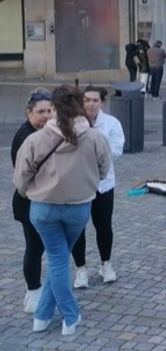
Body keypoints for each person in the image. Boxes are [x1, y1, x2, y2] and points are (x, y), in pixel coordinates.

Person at [13, 85, 110, 336]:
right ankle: (69, 315)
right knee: (59, 259)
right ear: (80, 106)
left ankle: (43, 317)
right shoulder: (95, 137)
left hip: (43, 208)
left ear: (54, 108)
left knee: (57, 260)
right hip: (78, 208)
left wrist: (32, 192)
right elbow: (104, 170)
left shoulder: (36, 139)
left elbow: (20, 178)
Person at [71, 86, 124, 289]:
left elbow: (116, 150)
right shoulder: (74, 125)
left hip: (104, 185)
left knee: (104, 226)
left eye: (95, 100)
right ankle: (81, 269)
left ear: (102, 102)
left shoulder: (111, 124)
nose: (90, 104)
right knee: (77, 228)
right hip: (79, 185)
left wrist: (91, 155)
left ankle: (106, 264)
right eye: (87, 100)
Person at [11, 89, 53, 313]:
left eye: (49, 110)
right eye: (40, 112)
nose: (46, 115)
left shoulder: (46, 132)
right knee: (35, 248)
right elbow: (24, 176)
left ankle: (33, 292)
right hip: (29, 201)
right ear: (29, 112)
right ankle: (33, 292)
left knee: (38, 247)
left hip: (41, 199)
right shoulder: (26, 136)